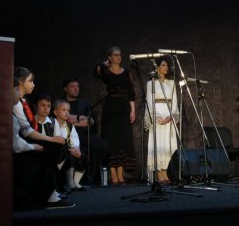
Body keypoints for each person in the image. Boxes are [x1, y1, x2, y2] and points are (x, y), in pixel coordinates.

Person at [12, 69, 74, 209]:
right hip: (22, 145)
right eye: (30, 81)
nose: (33, 84)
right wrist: (50, 140)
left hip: (27, 140)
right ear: (20, 82)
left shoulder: (22, 102)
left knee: (61, 148)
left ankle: (50, 190)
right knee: (55, 148)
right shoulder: (16, 103)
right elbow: (26, 132)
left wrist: (52, 140)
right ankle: (49, 194)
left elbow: (27, 130)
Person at [95, 46, 136, 185]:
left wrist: (133, 110)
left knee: (123, 139)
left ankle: (120, 173)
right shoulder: (105, 72)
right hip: (111, 107)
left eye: (120, 55)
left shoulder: (126, 73)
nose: (119, 57)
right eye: (116, 55)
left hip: (124, 107)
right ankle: (113, 174)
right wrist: (106, 63)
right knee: (111, 139)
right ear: (110, 57)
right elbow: (96, 70)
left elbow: (131, 93)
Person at [62, 78, 109, 185]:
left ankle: (92, 176)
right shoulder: (61, 103)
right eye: (72, 86)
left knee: (102, 145)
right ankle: (75, 179)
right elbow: (63, 119)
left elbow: (90, 121)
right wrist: (80, 118)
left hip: (85, 134)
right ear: (65, 89)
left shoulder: (84, 102)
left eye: (77, 86)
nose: (76, 89)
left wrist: (73, 119)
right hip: (68, 135)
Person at [144, 57, 179, 184]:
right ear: (157, 67)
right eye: (163, 65)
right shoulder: (151, 83)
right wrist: (157, 116)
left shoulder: (171, 83)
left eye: (167, 65)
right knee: (159, 144)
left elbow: (174, 101)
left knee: (168, 145)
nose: (166, 68)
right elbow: (149, 101)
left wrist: (171, 116)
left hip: (168, 117)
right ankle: (159, 173)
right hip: (157, 118)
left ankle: (165, 172)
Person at [53, 99, 87, 192]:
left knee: (81, 155)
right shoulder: (52, 123)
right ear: (55, 112)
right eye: (63, 110)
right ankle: (68, 182)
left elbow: (74, 138)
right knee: (67, 154)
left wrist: (76, 148)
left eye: (68, 110)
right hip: (58, 151)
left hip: (68, 150)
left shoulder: (69, 125)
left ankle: (76, 181)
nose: (66, 112)